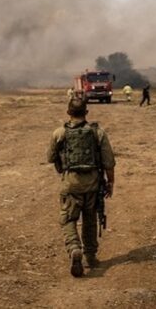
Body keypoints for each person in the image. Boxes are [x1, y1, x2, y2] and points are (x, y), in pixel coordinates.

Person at [46, 98, 115, 277]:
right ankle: (90, 256)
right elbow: (109, 162)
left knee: (68, 219)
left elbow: (51, 157)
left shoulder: (59, 133)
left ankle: (74, 247)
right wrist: (110, 183)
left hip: (71, 183)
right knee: (90, 220)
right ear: (86, 112)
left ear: (68, 112)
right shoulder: (97, 132)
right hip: (93, 184)